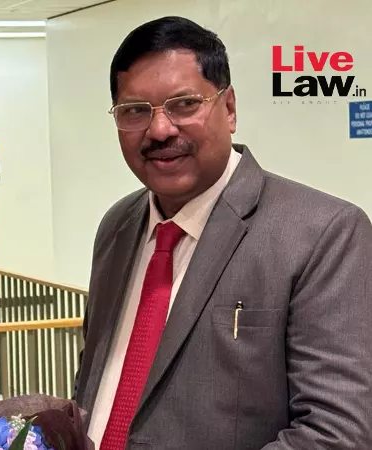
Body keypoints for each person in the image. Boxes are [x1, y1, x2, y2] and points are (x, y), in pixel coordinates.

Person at [74, 16, 372, 449]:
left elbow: (336, 434)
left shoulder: (324, 234)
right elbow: (96, 385)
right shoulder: (116, 227)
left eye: (184, 104)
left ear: (229, 108)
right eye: (135, 111)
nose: (160, 130)